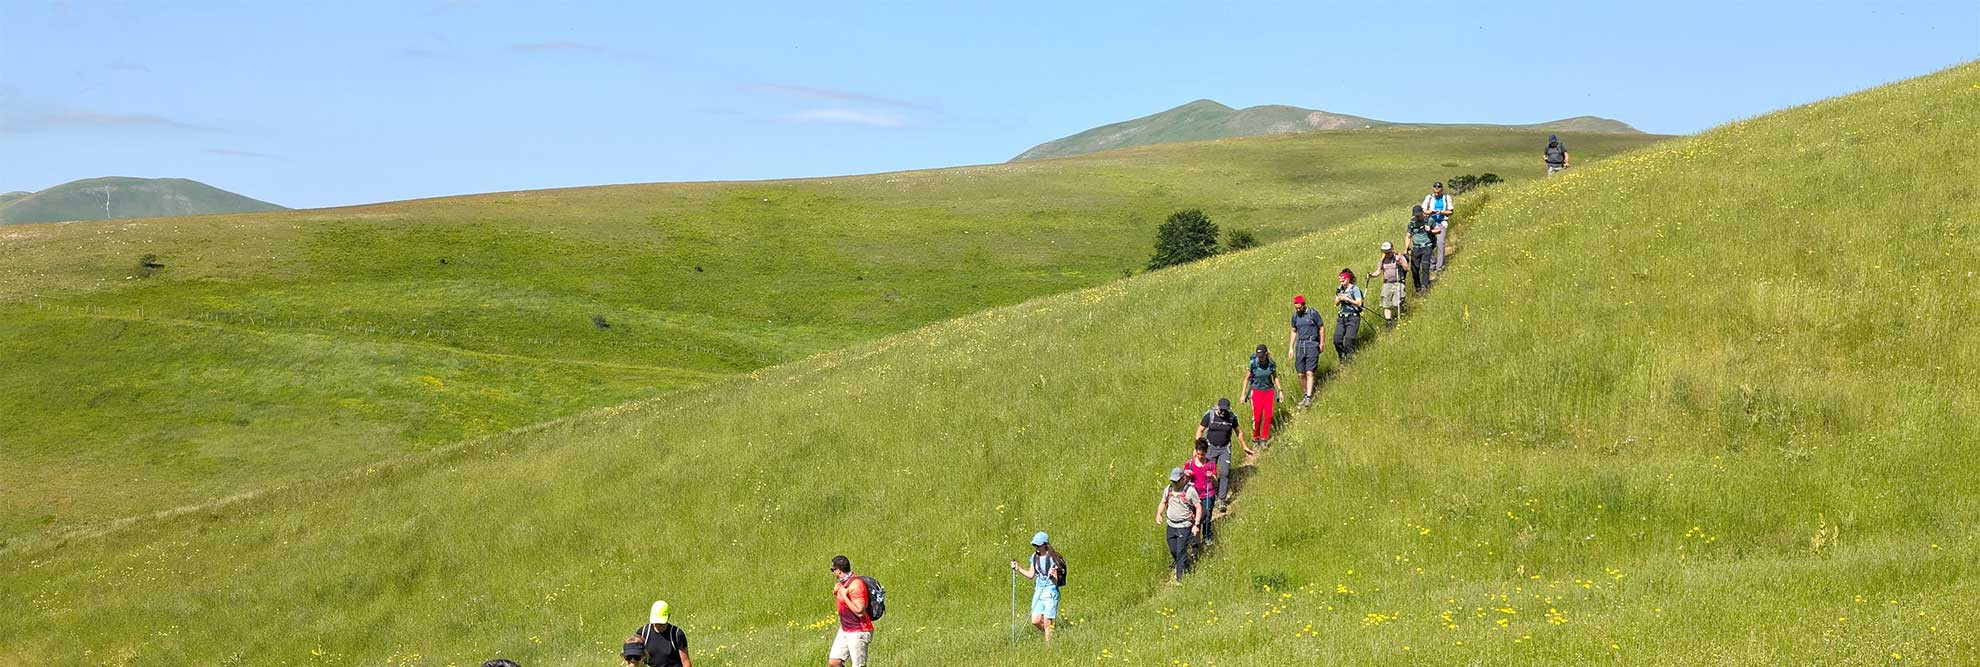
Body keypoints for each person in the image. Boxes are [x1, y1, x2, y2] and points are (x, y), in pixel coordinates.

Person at [1194, 397, 1251, 510]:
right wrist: (1198, 447)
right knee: (1209, 471)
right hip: (1210, 447)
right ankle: (1210, 495)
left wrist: (1244, 446)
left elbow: (1238, 432)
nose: (1223, 412)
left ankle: (1221, 499)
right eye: (1222, 410)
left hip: (1225, 448)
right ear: (1218, 407)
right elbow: (1200, 430)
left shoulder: (1231, 418)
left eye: (1225, 410)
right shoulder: (1209, 416)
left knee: (1224, 472)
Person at [1009, 532, 1064, 641]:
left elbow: (1057, 581)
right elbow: (1031, 575)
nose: (1036, 548)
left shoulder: (1053, 558)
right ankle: (1051, 635)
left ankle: (1049, 647)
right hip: (1039, 591)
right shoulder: (1034, 557)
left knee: (1048, 622)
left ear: (1045, 544)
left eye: (1038, 545)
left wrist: (1053, 576)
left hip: (1050, 591)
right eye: (1034, 545)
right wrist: (1018, 568)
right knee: (1035, 620)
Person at [1154, 467, 1203, 583]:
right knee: (1173, 550)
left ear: (1183, 479)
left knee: (1180, 552)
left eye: (1176, 481)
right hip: (1171, 526)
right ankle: (1186, 564)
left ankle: (1180, 580)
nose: (1174, 483)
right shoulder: (1169, 489)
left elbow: (1198, 507)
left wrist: (1196, 524)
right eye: (1173, 481)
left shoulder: (1190, 491)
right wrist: (1159, 514)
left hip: (1184, 526)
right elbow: (1163, 502)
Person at [830, 556, 874, 667]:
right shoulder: (844, 584)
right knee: (834, 662)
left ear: (839, 571)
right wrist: (838, 592)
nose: (833, 572)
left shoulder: (856, 585)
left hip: (859, 631)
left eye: (833, 570)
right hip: (846, 629)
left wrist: (844, 596)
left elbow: (860, 611)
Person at [622, 600, 691, 667]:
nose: (658, 625)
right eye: (656, 622)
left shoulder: (676, 634)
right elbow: (634, 656)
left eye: (661, 623)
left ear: (669, 617)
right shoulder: (643, 632)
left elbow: (685, 662)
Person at [1241, 344, 1282, 446]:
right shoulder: (1253, 364)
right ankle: (1256, 438)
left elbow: (1275, 377)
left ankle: (1264, 438)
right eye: (1258, 356)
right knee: (1257, 417)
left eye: (1262, 356)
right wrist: (1243, 394)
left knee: (1268, 416)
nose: (1260, 358)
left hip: (1268, 391)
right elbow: (1246, 379)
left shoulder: (1271, 364)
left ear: (1266, 354)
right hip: (1256, 391)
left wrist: (1280, 390)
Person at [1287, 296, 1324, 409]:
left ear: (1303, 305)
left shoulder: (1313, 313)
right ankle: (1305, 394)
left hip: (1312, 345)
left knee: (1309, 372)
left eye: (1299, 308)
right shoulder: (1295, 317)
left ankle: (1309, 396)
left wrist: (1322, 343)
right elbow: (1294, 331)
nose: (1298, 310)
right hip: (1300, 346)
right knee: (1300, 373)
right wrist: (1291, 348)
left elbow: (1321, 328)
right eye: (1296, 308)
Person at [1182, 439, 1219, 543]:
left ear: (1206, 452)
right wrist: (1186, 475)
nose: (1199, 456)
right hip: (1194, 495)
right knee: (1194, 517)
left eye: (1202, 454)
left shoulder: (1210, 464)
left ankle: (1206, 536)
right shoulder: (1189, 464)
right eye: (1198, 454)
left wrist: (1211, 477)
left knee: (1207, 516)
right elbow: (1183, 482)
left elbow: (1216, 483)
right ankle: (1195, 540)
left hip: (1208, 494)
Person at [1372, 241, 1410, 328]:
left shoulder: (1399, 257)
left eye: (1388, 251)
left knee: (1397, 303)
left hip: (1398, 282)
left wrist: (1400, 262)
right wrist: (1371, 275)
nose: (1387, 253)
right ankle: (1389, 322)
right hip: (1387, 283)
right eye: (1385, 252)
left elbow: (1407, 269)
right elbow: (1378, 271)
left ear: (1392, 249)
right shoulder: (1383, 260)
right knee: (1386, 304)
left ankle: (1401, 316)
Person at [1421, 182, 1455, 274]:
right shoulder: (1429, 198)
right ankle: (1432, 263)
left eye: (1438, 193)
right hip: (1430, 223)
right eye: (1435, 192)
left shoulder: (1446, 198)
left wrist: (1441, 212)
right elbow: (1423, 209)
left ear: (1442, 191)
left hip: (1441, 223)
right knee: (1428, 244)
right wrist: (1429, 212)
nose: (1436, 194)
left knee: (1440, 243)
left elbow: (1451, 212)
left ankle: (1439, 266)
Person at [1332, 268, 1364, 363]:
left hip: (1353, 317)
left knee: (1349, 341)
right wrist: (1339, 297)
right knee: (1337, 340)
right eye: (1340, 280)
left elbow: (1359, 303)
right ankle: (1342, 357)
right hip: (1342, 317)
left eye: (1343, 280)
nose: (1341, 282)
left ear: (1348, 279)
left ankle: (1349, 361)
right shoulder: (1340, 289)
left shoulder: (1355, 289)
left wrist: (1347, 299)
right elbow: (1335, 304)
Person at [1407, 205, 1437, 296]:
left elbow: (1438, 230)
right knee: (1414, 269)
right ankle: (1418, 288)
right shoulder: (1411, 223)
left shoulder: (1429, 220)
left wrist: (1430, 230)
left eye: (1419, 215)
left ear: (1422, 213)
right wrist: (1406, 248)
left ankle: (1426, 286)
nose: (1417, 216)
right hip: (1416, 247)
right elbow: (1408, 236)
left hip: (1426, 246)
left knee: (1425, 266)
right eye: (1416, 215)